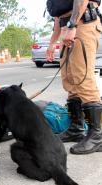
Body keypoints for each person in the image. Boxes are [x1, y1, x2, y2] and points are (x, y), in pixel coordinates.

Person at [46, 0, 102, 154]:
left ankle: (97, 136)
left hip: (81, 23)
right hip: (68, 26)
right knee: (70, 81)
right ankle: (76, 128)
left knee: (83, 79)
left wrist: (73, 25)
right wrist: (52, 42)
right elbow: (58, 15)